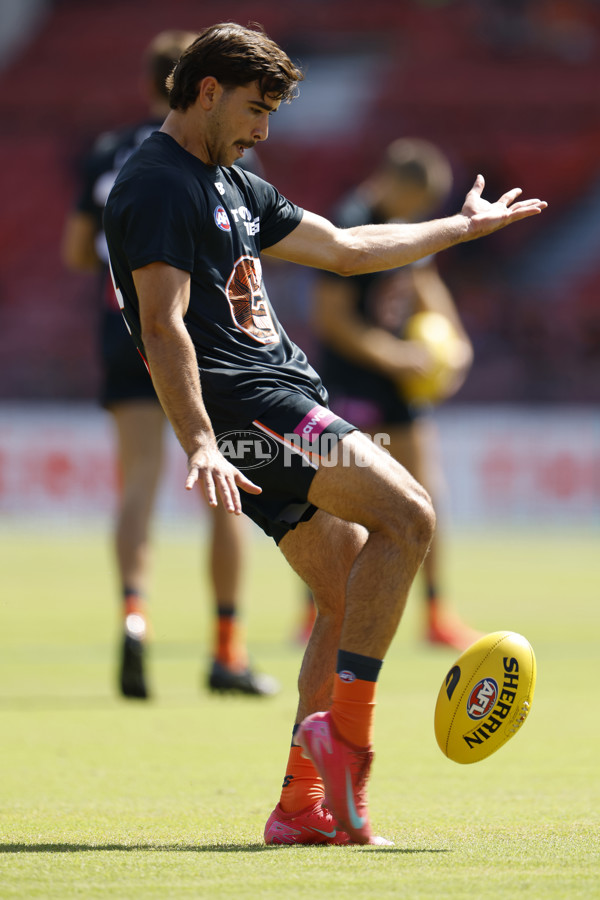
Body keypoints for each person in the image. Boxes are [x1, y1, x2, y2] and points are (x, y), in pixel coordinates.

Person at [103, 22, 546, 845]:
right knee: (409, 516)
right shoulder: (158, 184)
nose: (264, 130)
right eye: (254, 109)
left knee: (346, 599)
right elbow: (162, 328)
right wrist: (200, 437)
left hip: (269, 398)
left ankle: (300, 805)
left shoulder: (228, 177)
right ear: (206, 90)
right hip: (250, 405)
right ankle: (348, 746)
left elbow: (345, 248)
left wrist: (457, 228)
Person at [61, 29, 278, 700]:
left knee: (140, 483)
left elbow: (77, 251)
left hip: (120, 328)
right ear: (202, 87)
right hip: (201, 338)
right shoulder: (214, 162)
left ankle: (134, 614)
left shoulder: (109, 153)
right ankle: (227, 648)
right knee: (225, 490)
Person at [311, 137, 481, 651]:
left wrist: (457, 346)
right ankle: (322, 608)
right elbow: (332, 319)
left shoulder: (405, 225)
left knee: (426, 494)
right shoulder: (349, 220)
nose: (422, 214)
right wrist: (394, 355)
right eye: (418, 203)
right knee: (340, 499)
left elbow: (429, 287)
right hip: (351, 380)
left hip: (399, 380)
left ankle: (435, 613)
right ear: (394, 184)